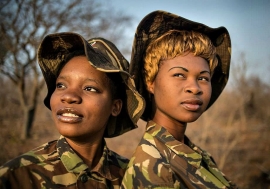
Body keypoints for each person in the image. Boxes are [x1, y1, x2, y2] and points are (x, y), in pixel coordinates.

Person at [0, 33, 145, 189]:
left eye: (89, 88)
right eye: (61, 85)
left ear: (115, 107)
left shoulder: (133, 178)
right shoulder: (16, 177)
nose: (68, 96)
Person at [121, 10, 237, 188]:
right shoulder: (155, 171)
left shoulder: (193, 153)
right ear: (151, 82)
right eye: (179, 75)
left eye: (203, 78)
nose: (195, 88)